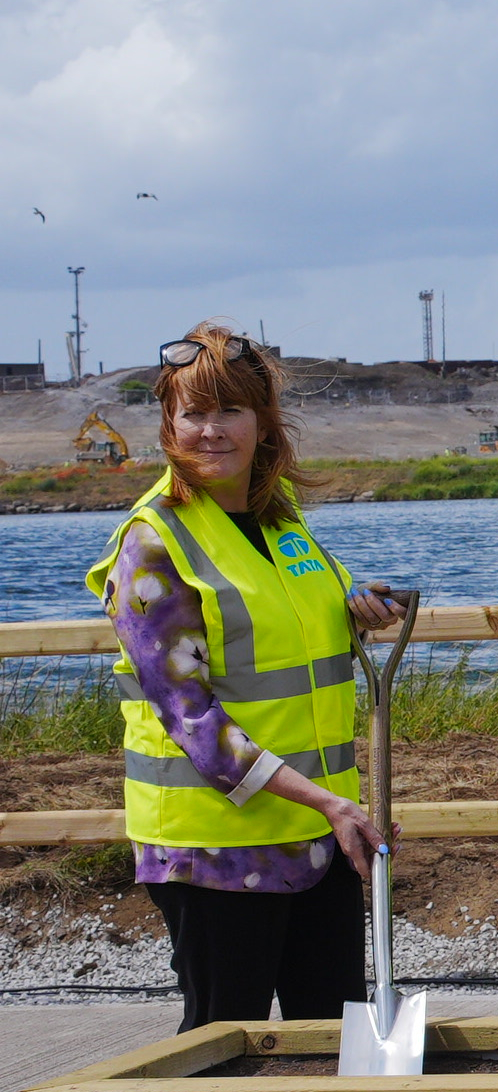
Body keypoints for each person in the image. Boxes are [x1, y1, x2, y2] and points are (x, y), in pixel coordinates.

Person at [85, 323, 406, 1028]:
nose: (210, 430)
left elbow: (296, 627)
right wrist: (328, 805)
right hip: (216, 850)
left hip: (319, 834)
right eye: (192, 412)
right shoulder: (153, 542)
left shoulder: (281, 524)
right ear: (168, 424)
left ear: (263, 423)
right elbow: (192, 721)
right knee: (224, 1039)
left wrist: (359, 609)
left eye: (228, 410)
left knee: (334, 1033)